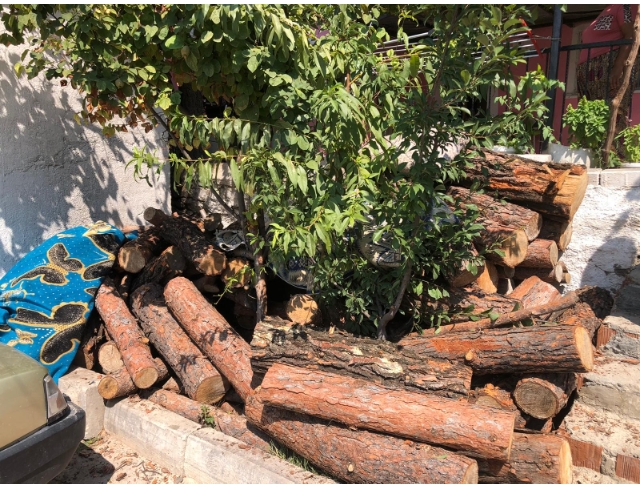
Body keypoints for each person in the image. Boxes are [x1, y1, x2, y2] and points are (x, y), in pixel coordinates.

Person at [577, 5, 639, 138]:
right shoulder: (609, 8)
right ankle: (595, 149)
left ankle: (614, 150)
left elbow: (630, 35)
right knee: (591, 118)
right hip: (590, 74)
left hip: (606, 68)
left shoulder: (624, 6)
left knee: (610, 115)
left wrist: (618, 66)